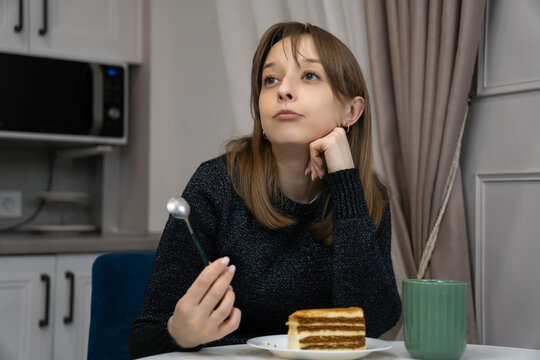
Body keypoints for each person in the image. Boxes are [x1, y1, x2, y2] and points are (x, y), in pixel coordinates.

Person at [128, 21, 401, 358]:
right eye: (271, 80)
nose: (283, 90)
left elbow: (371, 325)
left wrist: (345, 180)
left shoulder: (368, 197)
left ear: (352, 111)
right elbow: (142, 340)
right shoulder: (215, 185)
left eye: (309, 76)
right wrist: (179, 333)